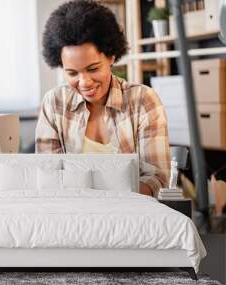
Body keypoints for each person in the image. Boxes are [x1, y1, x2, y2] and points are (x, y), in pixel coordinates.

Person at [35, 0, 170, 197]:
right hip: (72, 216)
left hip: (130, 216)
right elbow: (49, 178)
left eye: (93, 69)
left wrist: (103, 198)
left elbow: (157, 180)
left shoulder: (143, 101)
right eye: (72, 73)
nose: (84, 82)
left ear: (111, 56)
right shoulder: (54, 104)